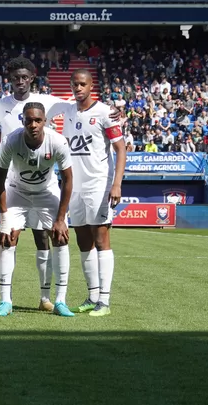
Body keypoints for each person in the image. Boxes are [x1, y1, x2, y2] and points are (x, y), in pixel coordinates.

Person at [0, 57, 119, 309]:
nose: (20, 81)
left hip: (52, 185)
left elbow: (87, 106)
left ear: (32, 79)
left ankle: (55, 299)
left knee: (54, 237)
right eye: (15, 78)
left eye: (24, 77)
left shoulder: (53, 103)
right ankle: (6, 301)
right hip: (17, 182)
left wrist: (115, 110)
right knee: (10, 237)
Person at [0, 102, 75, 317]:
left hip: (46, 193)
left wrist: (60, 219)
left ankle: (59, 301)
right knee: (7, 239)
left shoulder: (57, 142)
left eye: (38, 120)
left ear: (45, 122)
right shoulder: (11, 140)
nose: (33, 124)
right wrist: (4, 219)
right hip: (16, 191)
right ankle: (5, 301)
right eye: (28, 120)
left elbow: (67, 180)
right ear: (23, 121)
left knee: (60, 237)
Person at [62, 69, 127, 317]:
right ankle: (92, 296)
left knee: (101, 239)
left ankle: (105, 302)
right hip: (74, 186)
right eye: (74, 84)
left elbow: (120, 149)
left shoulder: (104, 112)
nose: (78, 88)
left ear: (91, 87)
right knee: (83, 241)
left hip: (98, 184)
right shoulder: (68, 112)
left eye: (82, 84)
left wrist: (117, 184)